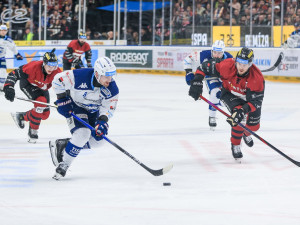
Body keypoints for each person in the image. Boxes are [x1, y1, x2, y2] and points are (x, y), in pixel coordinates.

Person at [188, 47, 265, 162]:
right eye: (239, 62)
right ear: (235, 60)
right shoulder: (226, 65)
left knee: (254, 126)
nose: (241, 67)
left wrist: (243, 110)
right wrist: (197, 81)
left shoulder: (257, 78)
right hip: (229, 94)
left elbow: (256, 102)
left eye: (245, 64)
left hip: (249, 100)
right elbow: (204, 67)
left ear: (250, 64)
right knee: (238, 119)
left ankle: (246, 133)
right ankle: (235, 145)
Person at [49, 56, 119, 180]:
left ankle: (64, 144)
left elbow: (108, 107)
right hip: (76, 107)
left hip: (94, 112)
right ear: (97, 74)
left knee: (99, 141)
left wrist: (102, 121)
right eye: (106, 76)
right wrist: (62, 99)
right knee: (82, 134)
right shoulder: (80, 76)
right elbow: (57, 79)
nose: (109, 79)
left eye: (111, 76)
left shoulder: (112, 89)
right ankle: (64, 164)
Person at [3, 49, 61, 143]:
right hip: (28, 85)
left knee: (45, 115)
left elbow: (62, 87)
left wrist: (62, 100)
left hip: (42, 88)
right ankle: (33, 131)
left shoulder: (57, 73)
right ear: (44, 63)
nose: (51, 68)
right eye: (49, 65)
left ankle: (21, 116)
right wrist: (9, 87)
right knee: (41, 103)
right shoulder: (32, 67)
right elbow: (14, 73)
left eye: (54, 65)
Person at [183, 40, 233, 130]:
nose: (216, 55)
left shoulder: (229, 58)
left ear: (223, 52)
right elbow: (187, 59)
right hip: (210, 76)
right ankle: (212, 116)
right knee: (215, 93)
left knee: (229, 95)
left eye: (219, 53)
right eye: (214, 52)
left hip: (223, 77)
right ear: (212, 51)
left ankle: (230, 107)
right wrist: (188, 73)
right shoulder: (203, 54)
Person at [0, 24, 23, 91]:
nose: (3, 32)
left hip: (2, 58)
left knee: (3, 72)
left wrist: (17, 55)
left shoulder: (8, 40)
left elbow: (13, 48)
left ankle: (1, 86)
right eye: (2, 30)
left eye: (5, 30)